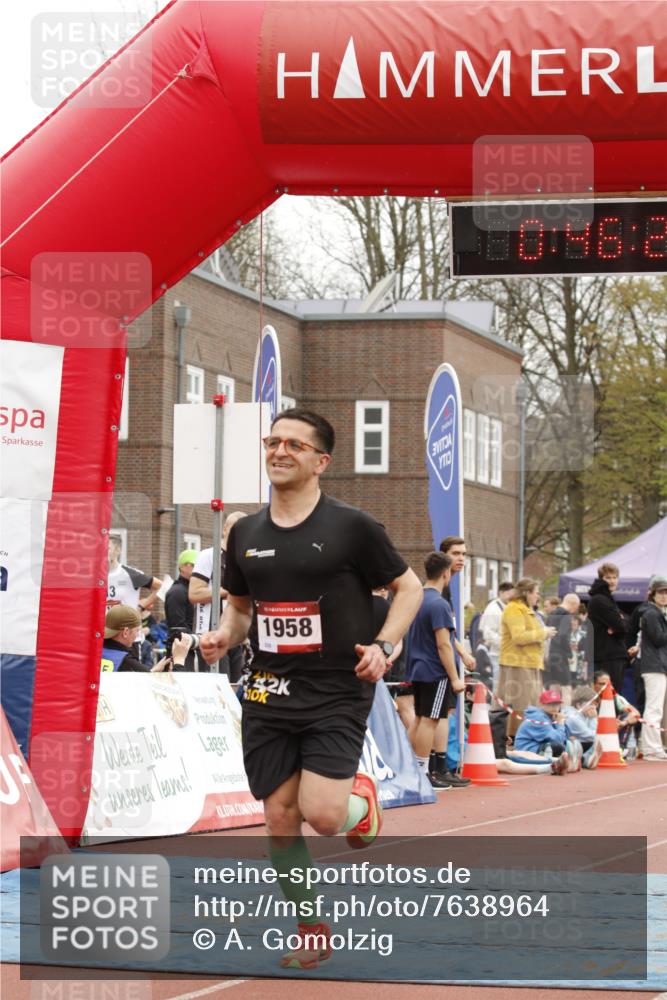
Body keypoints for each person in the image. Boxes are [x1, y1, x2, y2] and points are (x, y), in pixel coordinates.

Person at [200, 408, 422, 970]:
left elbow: (409, 587)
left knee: (322, 816)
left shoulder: (352, 527)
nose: (279, 451)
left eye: (295, 445)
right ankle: (310, 925)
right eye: (273, 441)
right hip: (269, 690)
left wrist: (384, 645)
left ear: (321, 461)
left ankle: (358, 802)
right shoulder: (244, 532)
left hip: (335, 688)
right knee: (278, 815)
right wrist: (225, 636)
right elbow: (243, 608)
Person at [405, 552, 470, 789]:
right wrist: (454, 677)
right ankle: (421, 772)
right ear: (446, 573)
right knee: (430, 720)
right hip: (434, 669)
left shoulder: (416, 598)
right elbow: (443, 643)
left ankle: (411, 767)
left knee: (420, 718)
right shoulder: (440, 604)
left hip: (417, 666)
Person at [189, 511, 248, 678]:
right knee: (220, 684)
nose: (238, 535)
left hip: (235, 635)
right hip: (212, 632)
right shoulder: (209, 555)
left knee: (236, 686)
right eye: (233, 530)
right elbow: (194, 593)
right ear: (224, 530)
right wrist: (229, 591)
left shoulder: (243, 557)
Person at [497, 578, 557, 738]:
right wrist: (543, 633)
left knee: (532, 704)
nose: (538, 596)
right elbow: (519, 637)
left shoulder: (526, 610)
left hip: (530, 663)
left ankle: (525, 738)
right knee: (520, 705)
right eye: (536, 593)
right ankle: (514, 738)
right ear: (527, 593)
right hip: (517, 664)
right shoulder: (514, 609)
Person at [100, 605, 188, 672]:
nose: (137, 635)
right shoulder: (126, 662)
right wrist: (179, 660)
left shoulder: (95, 653)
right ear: (125, 632)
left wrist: (152, 671)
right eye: (137, 631)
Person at [635, 575, 667, 761]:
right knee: (654, 708)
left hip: (657, 664)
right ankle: (651, 748)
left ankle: (652, 747)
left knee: (656, 708)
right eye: (660, 593)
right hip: (654, 665)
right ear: (652, 594)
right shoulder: (651, 613)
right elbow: (658, 638)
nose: (664, 596)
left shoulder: (655, 613)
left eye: (666, 593)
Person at [514, 689, 582, 771]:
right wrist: (560, 723)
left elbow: (566, 737)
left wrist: (562, 724)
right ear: (541, 704)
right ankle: (569, 761)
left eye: (557, 704)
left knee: (571, 743)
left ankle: (576, 760)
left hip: (541, 747)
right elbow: (557, 739)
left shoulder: (553, 716)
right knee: (556, 746)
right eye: (550, 704)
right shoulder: (538, 717)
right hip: (526, 751)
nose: (554, 707)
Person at [587, 562, 628, 694]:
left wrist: (620, 623)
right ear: (601, 579)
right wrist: (619, 623)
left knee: (613, 697)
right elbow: (621, 626)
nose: (612, 581)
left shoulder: (608, 599)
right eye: (608, 578)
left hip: (613, 654)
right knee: (608, 697)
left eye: (614, 577)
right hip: (606, 656)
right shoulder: (600, 600)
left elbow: (626, 623)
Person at [106, 535, 162, 612]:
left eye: (107, 548)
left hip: (126, 622)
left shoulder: (129, 574)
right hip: (102, 623)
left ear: (118, 550)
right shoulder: (93, 576)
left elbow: (162, 586)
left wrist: (142, 606)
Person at [164, 549, 198, 671]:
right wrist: (198, 641)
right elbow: (178, 627)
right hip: (180, 650)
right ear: (182, 567)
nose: (198, 569)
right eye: (194, 565)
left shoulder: (189, 590)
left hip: (187, 648)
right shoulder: (177, 592)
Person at [545, 593, 581, 705]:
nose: (576, 611)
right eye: (577, 607)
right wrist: (569, 654)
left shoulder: (553, 614)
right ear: (573, 604)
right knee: (566, 687)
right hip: (560, 654)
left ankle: (551, 712)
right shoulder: (566, 615)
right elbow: (563, 636)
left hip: (550, 653)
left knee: (553, 685)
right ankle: (567, 713)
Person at [479, 581, 515, 690]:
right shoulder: (493, 609)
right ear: (501, 593)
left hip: (509, 655)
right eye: (509, 593)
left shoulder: (508, 607)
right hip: (497, 655)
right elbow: (487, 633)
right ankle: (496, 706)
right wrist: (505, 644)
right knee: (498, 686)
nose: (511, 597)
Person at [563, 685, 603, 768]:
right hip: (568, 746)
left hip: (579, 745)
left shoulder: (584, 714)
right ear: (578, 705)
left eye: (595, 705)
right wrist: (593, 718)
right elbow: (592, 736)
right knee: (597, 741)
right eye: (591, 704)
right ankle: (585, 760)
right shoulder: (573, 717)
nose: (594, 708)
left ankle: (588, 758)